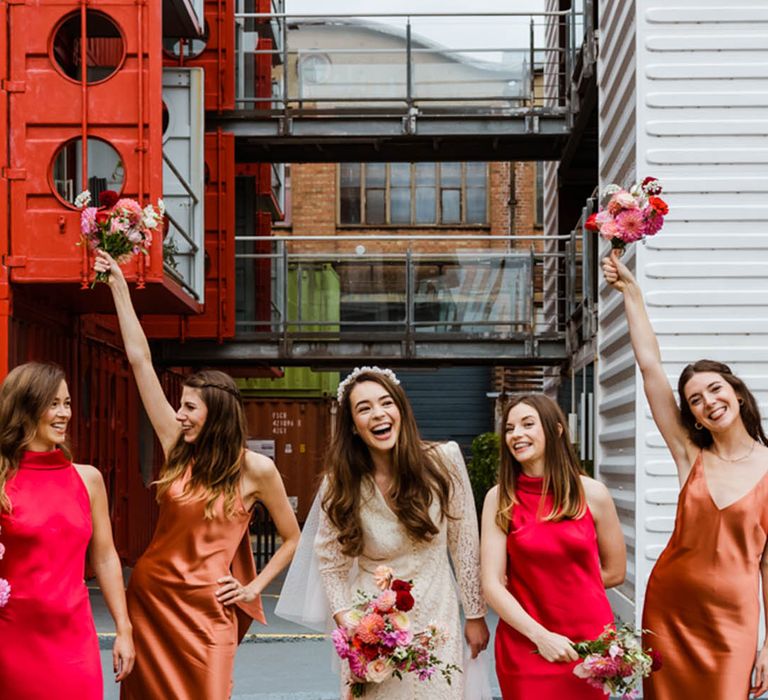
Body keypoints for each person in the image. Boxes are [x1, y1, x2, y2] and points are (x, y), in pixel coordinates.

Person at [94, 250, 301, 700]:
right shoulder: (175, 445)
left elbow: (292, 538)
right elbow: (140, 361)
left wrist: (252, 587)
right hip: (152, 599)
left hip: (209, 611)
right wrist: (119, 288)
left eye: (190, 407)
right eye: (180, 406)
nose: (180, 414)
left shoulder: (257, 470)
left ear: (217, 415)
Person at [603, 248, 768, 698]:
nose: (709, 401)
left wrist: (766, 643)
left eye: (715, 389)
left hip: (734, 621)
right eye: (695, 400)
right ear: (693, 416)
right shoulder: (689, 455)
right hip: (672, 608)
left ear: (736, 393)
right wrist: (631, 291)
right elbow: (650, 367)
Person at [282, 366, 489, 699]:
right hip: (372, 628)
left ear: (401, 410)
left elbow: (464, 542)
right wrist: (349, 624)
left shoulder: (445, 459)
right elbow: (331, 565)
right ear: (352, 425)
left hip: (438, 617)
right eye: (364, 408)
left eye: (386, 403)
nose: (378, 414)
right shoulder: (341, 482)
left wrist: (475, 614)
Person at [0, 361, 135, 699]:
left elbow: (104, 557)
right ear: (26, 408)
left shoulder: (88, 480)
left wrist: (124, 628)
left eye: (68, 403)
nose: (64, 414)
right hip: (12, 639)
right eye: (53, 404)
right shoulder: (2, 481)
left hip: (75, 639)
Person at [481, 393, 625, 699]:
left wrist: (564, 588)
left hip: (589, 645)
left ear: (557, 429)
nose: (516, 434)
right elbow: (491, 584)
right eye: (509, 428)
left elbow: (615, 571)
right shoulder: (500, 497)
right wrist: (540, 635)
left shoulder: (593, 494)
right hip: (527, 645)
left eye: (527, 424)